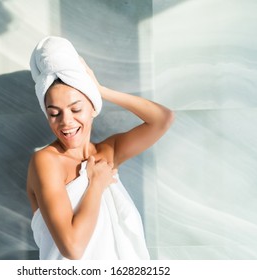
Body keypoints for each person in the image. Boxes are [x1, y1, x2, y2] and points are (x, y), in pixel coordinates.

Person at [27, 36, 174, 260]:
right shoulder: (46, 161)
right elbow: (72, 248)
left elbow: (162, 119)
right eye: (54, 113)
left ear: (92, 107)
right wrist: (96, 184)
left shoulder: (107, 153)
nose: (66, 122)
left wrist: (101, 90)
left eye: (76, 109)